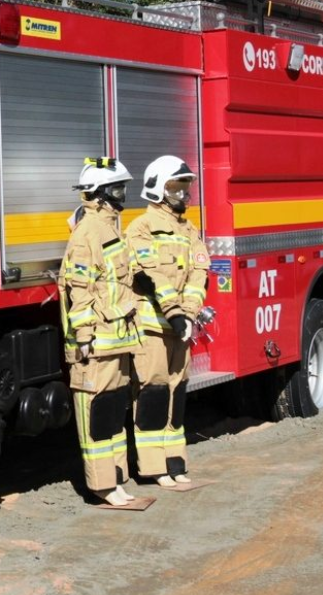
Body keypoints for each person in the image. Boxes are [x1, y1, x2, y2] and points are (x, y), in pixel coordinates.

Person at [58, 157, 142, 506]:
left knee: (111, 414)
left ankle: (116, 479)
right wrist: (84, 337)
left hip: (116, 340)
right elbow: (79, 288)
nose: (122, 195)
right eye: (117, 189)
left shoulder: (110, 229)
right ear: (99, 193)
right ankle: (102, 486)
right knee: (95, 417)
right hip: (96, 344)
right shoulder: (87, 233)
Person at [126, 156, 210, 487]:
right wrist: (175, 313)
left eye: (186, 187)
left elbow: (199, 275)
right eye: (176, 187)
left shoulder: (189, 230)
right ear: (158, 190)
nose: (184, 195)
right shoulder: (141, 228)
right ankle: (154, 468)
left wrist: (188, 313)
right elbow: (150, 276)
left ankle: (175, 462)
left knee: (178, 392)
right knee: (154, 393)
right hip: (152, 328)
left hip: (180, 327)